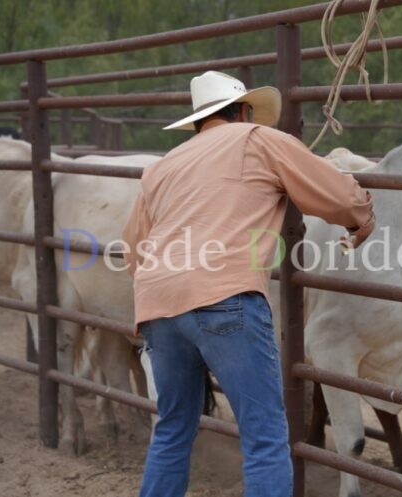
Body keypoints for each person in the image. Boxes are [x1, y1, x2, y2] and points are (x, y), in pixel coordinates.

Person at [122, 70, 376, 497]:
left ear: (200, 121)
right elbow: (337, 194)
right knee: (264, 435)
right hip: (225, 295)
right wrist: (363, 216)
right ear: (243, 111)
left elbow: (133, 249)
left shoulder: (162, 168)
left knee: (171, 431)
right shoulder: (256, 139)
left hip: (158, 305)